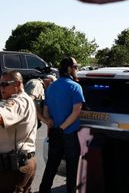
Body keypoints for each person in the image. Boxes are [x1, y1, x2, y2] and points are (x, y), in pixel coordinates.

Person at [39, 57, 85, 193]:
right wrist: (62, 128)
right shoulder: (75, 87)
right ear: (69, 69)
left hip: (54, 134)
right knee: (72, 171)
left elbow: (46, 111)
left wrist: (50, 126)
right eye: (75, 67)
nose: (76, 69)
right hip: (69, 134)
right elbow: (77, 111)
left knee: (51, 167)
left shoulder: (52, 87)